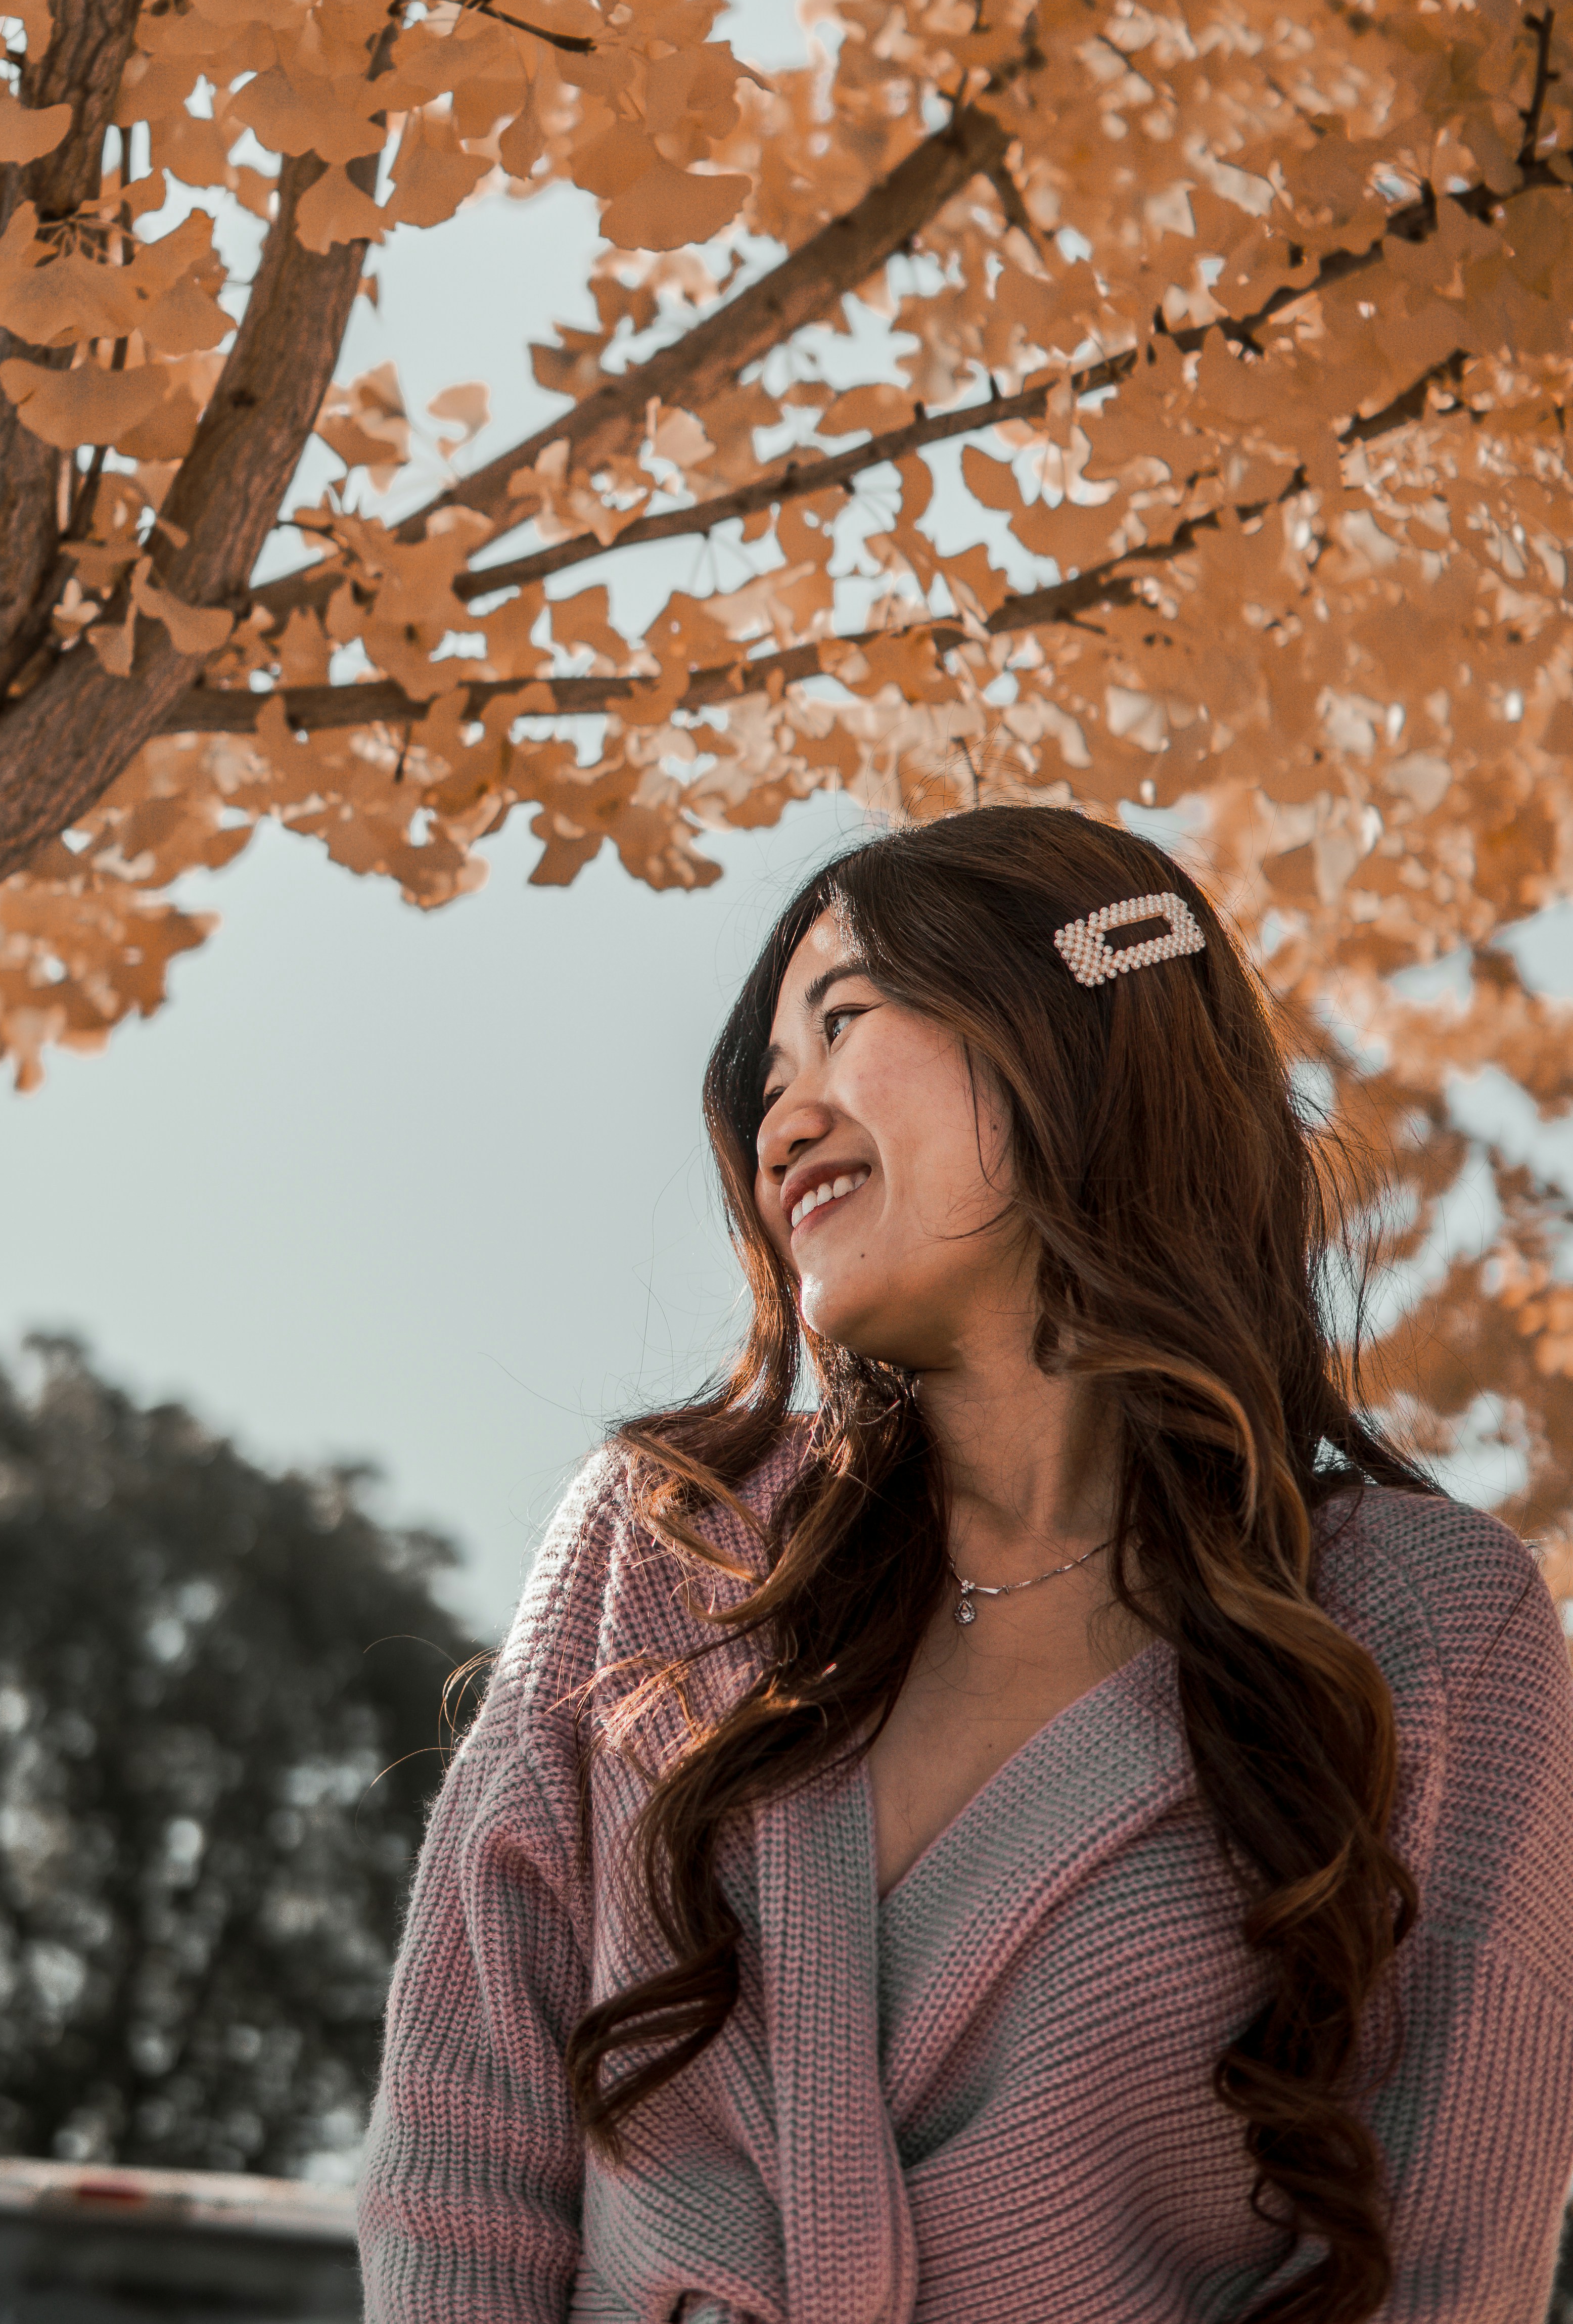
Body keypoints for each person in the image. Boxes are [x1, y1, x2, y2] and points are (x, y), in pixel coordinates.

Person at [358, 804, 1573, 2322]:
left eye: (843, 1021)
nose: (781, 1122)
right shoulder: (665, 1541)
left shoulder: (1424, 1626)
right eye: (766, 1086)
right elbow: (461, 2153)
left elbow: (1450, 2257)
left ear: (1075, 1027)